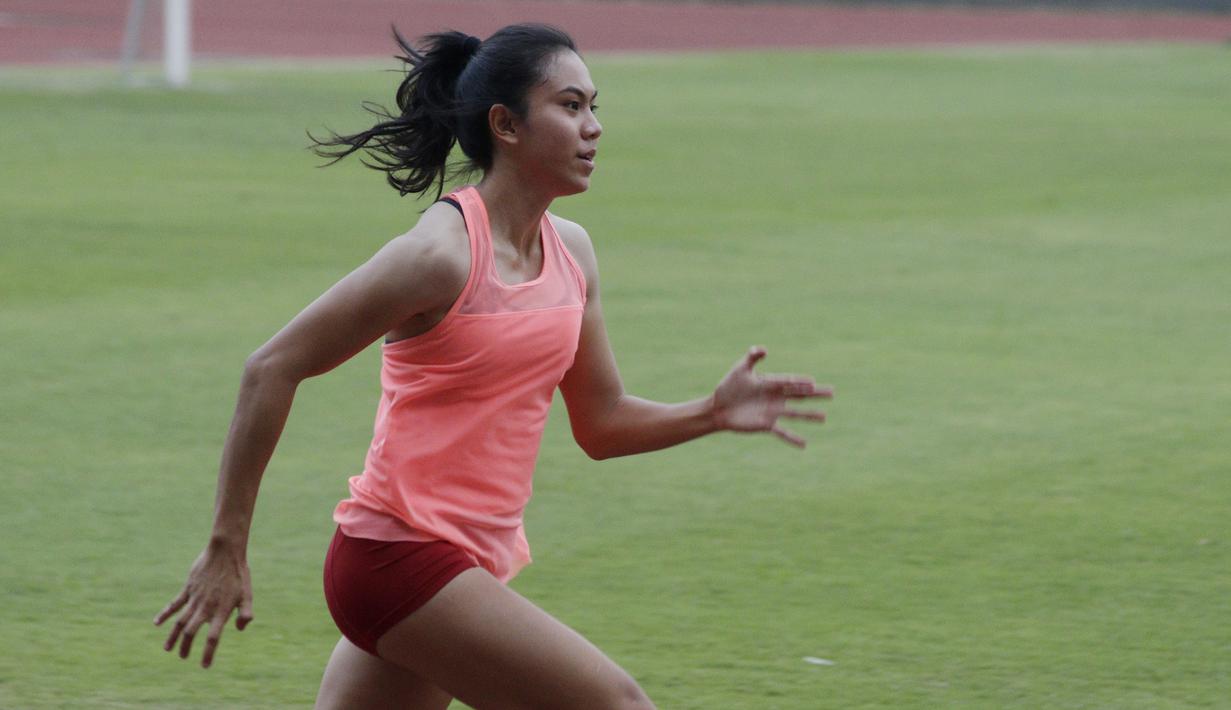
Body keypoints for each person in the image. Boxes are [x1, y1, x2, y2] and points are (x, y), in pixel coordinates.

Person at [154, 23, 832, 710]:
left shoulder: (572, 253)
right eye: (570, 107)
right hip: (397, 560)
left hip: (463, 564)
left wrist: (710, 413)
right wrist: (225, 547)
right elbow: (271, 367)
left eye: (594, 106)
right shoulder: (440, 256)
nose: (593, 127)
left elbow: (599, 425)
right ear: (505, 124)